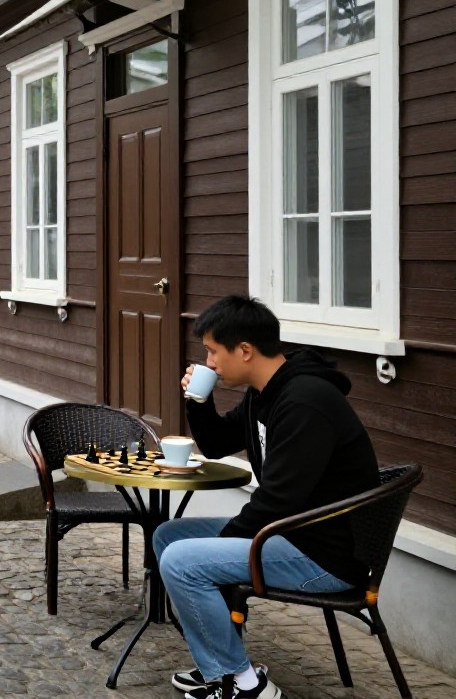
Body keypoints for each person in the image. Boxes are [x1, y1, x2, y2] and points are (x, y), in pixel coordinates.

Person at [157, 295, 379, 699]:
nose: (208, 363)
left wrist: (219, 545)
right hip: (288, 535)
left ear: (244, 351)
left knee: (182, 561)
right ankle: (217, 667)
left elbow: (278, 500)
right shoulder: (264, 393)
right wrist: (199, 401)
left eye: (212, 351)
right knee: (169, 537)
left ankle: (245, 684)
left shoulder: (306, 401)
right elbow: (216, 443)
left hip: (324, 555)